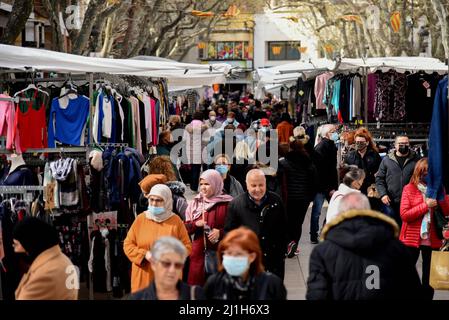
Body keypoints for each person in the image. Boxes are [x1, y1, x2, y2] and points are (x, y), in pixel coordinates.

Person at [306, 192, 423, 300]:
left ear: (340, 214)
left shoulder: (323, 252)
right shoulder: (395, 248)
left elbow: (317, 294)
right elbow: (412, 291)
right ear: (368, 211)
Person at [124, 184, 192, 293]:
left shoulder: (176, 221)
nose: (154, 204)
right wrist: (144, 254)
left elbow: (187, 246)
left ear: (167, 201)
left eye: (159, 200)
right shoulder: (141, 219)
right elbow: (128, 244)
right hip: (144, 276)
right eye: (152, 200)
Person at [400, 158, 449, 300]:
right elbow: (405, 215)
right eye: (424, 172)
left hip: (432, 239)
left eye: (430, 172)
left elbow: (446, 211)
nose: (426, 174)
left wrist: (441, 196)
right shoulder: (408, 189)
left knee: (429, 279)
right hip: (411, 239)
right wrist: (426, 205)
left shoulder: (439, 188)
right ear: (418, 172)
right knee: (407, 275)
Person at [225, 169, 288, 280]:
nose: (257, 189)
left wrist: (281, 253)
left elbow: (284, 229)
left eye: (261, 185)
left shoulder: (276, 201)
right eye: (253, 185)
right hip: (248, 262)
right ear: (247, 185)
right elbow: (230, 234)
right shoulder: (236, 205)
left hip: (273, 262)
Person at [204, 227, 286, 300]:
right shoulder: (214, 283)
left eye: (238, 254)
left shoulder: (272, 285)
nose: (232, 258)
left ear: (252, 257)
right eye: (228, 253)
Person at [184, 170, 233, 286]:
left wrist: (220, 233)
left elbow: (236, 229)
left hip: (221, 255)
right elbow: (185, 228)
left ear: (216, 184)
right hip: (198, 256)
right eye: (201, 184)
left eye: (207, 184)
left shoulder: (228, 203)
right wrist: (196, 224)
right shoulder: (195, 203)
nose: (203, 188)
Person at [12, 217, 79, 300]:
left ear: (29, 243)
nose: (14, 249)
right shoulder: (62, 259)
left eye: (16, 244)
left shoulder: (44, 275)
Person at [127, 237, 205, 300]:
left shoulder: (196, 295)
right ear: (154, 264)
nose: (172, 270)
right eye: (166, 264)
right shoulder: (136, 298)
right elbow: (128, 244)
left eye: (178, 265)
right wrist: (144, 254)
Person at [278, 137, 318, 258]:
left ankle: (288, 243)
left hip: (288, 198)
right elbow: (314, 181)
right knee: (298, 223)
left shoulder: (284, 162)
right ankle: (294, 243)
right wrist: (310, 196)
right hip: (303, 199)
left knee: (287, 222)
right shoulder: (308, 162)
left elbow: (280, 180)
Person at [376, 135, 420, 227]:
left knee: (409, 229)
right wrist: (383, 194)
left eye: (406, 143)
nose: (403, 146)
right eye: (400, 144)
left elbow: (422, 178)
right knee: (392, 227)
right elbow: (379, 179)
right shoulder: (386, 160)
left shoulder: (417, 159)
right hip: (391, 201)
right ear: (395, 145)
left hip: (411, 202)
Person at [309, 124, 339, 244]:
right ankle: (316, 234)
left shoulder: (331, 146)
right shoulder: (322, 148)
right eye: (333, 131)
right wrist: (329, 188)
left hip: (326, 186)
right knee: (317, 211)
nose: (336, 133)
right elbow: (320, 172)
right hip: (322, 187)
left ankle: (322, 232)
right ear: (327, 134)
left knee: (329, 209)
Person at [344, 127, 381, 195]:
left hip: (370, 189)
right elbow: (345, 174)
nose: (359, 144)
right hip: (354, 189)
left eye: (361, 142)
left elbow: (379, 173)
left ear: (367, 143)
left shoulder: (374, 156)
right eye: (357, 142)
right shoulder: (350, 156)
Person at [183, 112, 208, 192]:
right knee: (205, 169)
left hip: (191, 151)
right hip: (203, 150)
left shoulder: (188, 127)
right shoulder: (205, 127)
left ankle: (193, 187)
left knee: (194, 169)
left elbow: (184, 139)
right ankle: (206, 185)